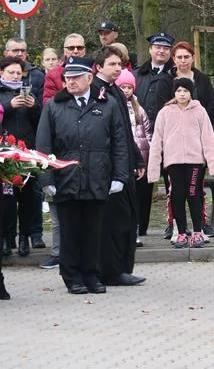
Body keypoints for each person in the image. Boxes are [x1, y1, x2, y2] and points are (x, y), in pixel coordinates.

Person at [36, 56, 130, 295]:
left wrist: (119, 176)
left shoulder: (107, 104)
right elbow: (44, 146)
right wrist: (46, 180)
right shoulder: (54, 106)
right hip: (66, 178)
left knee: (94, 231)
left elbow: (119, 142)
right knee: (70, 232)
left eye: (77, 77)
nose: (71, 82)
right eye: (68, 78)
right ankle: (72, 276)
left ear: (90, 77)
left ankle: (92, 274)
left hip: (98, 176)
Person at [92, 47, 146, 287]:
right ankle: (112, 270)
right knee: (114, 221)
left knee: (126, 218)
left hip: (124, 163)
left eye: (120, 65)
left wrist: (137, 158)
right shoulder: (96, 91)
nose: (118, 69)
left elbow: (125, 130)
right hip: (109, 167)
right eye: (112, 64)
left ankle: (123, 267)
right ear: (99, 66)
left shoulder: (115, 91)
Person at [148, 78, 214, 249]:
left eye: (185, 91)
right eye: (179, 91)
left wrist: (213, 165)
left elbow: (208, 139)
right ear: (174, 93)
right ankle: (181, 232)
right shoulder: (165, 113)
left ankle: (197, 232)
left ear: (191, 93)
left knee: (193, 193)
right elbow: (157, 141)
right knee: (177, 195)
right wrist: (153, 169)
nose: (182, 94)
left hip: (195, 162)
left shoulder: (199, 111)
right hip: (173, 162)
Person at [168, 41, 214, 238]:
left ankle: (200, 225)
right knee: (175, 192)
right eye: (179, 57)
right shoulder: (168, 80)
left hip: (196, 144)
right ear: (174, 59)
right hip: (174, 147)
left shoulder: (202, 79)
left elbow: (212, 103)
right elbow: (163, 108)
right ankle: (175, 226)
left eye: (186, 57)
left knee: (195, 189)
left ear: (192, 58)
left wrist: (198, 121)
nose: (183, 61)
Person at [134, 32, 175, 239]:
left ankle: (173, 224)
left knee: (172, 183)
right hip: (142, 140)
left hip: (169, 138)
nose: (161, 51)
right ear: (150, 49)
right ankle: (140, 226)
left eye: (166, 48)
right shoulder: (136, 75)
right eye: (157, 47)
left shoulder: (174, 75)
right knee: (142, 183)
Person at [0, 57, 41, 258]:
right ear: (2, 73)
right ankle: (8, 238)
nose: (16, 76)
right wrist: (9, 105)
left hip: (27, 152)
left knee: (28, 198)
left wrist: (34, 106)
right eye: (11, 72)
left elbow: (39, 122)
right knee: (7, 200)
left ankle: (25, 237)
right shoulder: (1, 94)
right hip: (4, 153)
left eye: (19, 73)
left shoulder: (29, 91)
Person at [116, 69, 151, 247]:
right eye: (122, 87)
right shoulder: (114, 107)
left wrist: (148, 156)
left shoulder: (139, 109)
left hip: (140, 157)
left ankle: (135, 231)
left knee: (136, 199)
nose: (126, 91)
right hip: (123, 158)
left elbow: (147, 133)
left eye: (129, 87)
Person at [43, 33, 87, 101]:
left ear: (84, 51)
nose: (75, 51)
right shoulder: (52, 75)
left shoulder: (94, 71)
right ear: (64, 51)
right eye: (71, 48)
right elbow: (48, 104)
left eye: (79, 48)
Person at [4, 37, 44, 102]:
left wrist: (33, 105)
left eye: (22, 51)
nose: (20, 54)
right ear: (6, 53)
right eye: (15, 50)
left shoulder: (38, 76)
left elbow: (42, 106)